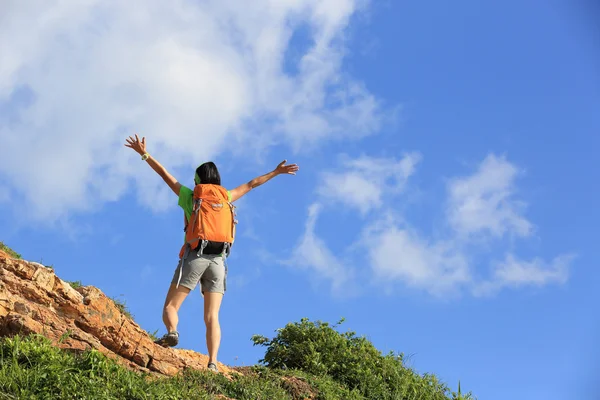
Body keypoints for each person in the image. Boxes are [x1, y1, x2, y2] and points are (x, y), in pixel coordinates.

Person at [124, 134, 299, 372]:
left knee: (171, 307)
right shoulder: (226, 196)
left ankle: (172, 333)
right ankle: (213, 362)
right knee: (212, 316)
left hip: (196, 256)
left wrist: (144, 153)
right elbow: (252, 184)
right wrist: (276, 172)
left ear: (198, 180)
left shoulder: (191, 195)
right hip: (219, 261)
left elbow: (165, 174)